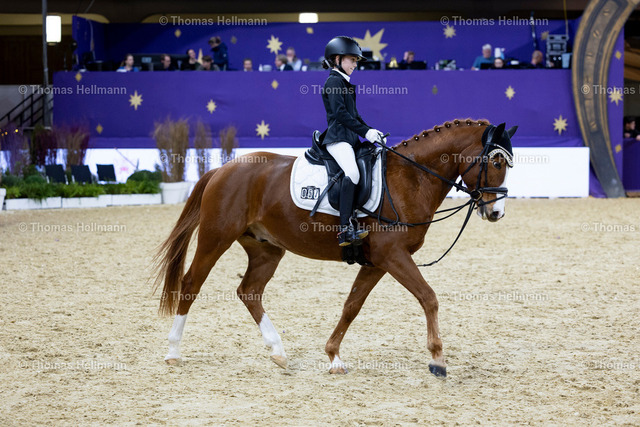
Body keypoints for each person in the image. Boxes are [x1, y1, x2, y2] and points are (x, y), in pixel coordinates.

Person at [319, 36, 386, 247]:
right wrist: (365, 132)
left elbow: (354, 115)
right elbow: (340, 114)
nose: (355, 65)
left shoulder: (345, 83)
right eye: (352, 60)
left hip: (350, 138)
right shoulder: (333, 82)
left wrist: (371, 131)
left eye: (356, 61)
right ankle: (345, 229)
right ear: (337, 59)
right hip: (337, 138)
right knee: (352, 173)